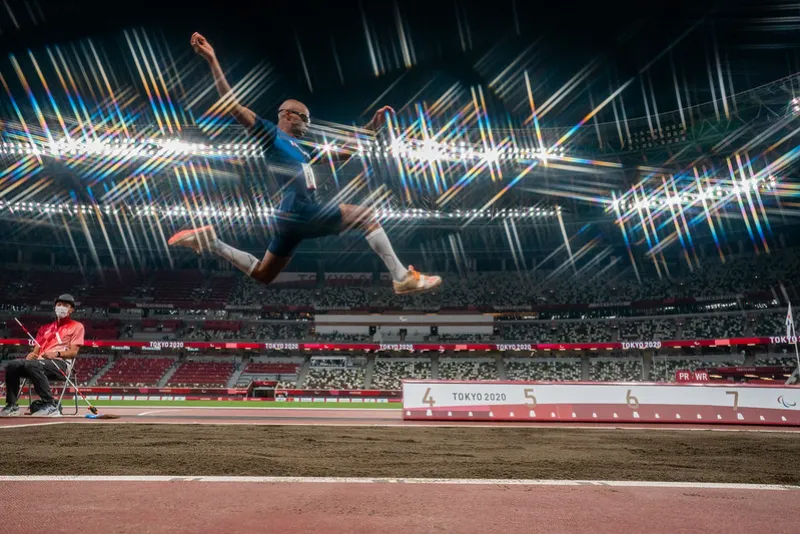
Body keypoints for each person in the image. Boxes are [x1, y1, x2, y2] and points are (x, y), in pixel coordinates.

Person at [168, 32, 442, 295]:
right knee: (366, 216)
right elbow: (233, 105)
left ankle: (211, 242)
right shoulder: (270, 134)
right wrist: (212, 58)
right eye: (305, 118)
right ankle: (401, 278)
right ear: (287, 114)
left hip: (291, 217)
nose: (309, 124)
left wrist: (372, 128)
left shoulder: (305, 150)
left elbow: (344, 153)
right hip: (298, 209)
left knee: (264, 274)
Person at [0, 294, 85, 417]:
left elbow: (73, 352)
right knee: (13, 365)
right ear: (55, 307)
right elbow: (36, 352)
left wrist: (56, 353)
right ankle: (12, 405)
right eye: (59, 304)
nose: (61, 307)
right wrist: (32, 355)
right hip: (38, 364)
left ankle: (50, 405)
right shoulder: (45, 328)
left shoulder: (77, 326)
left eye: (65, 305)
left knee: (33, 365)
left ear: (71, 309)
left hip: (61, 365)